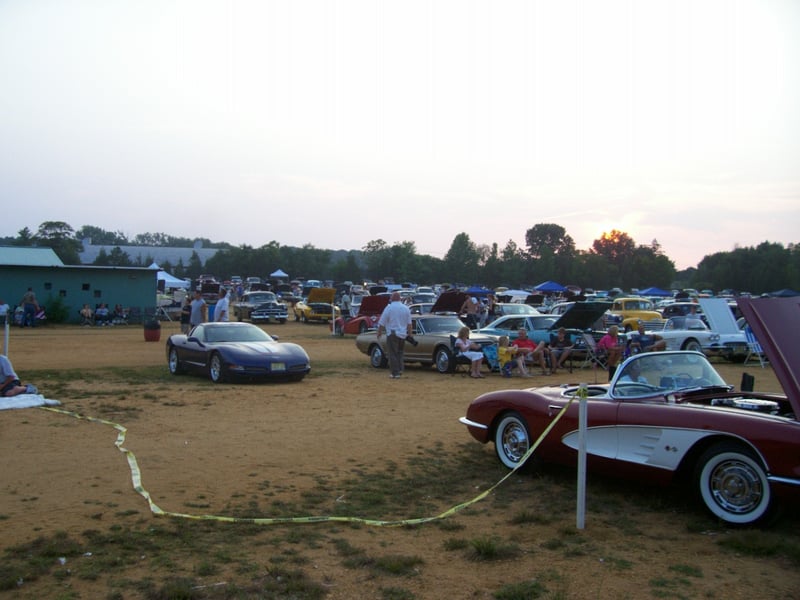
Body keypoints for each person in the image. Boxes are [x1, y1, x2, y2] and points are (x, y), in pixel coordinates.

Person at [376, 291, 412, 379]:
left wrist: (379, 332)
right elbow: (409, 324)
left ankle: (395, 373)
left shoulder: (389, 308)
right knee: (400, 353)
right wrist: (410, 334)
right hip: (403, 334)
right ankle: (400, 369)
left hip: (392, 333)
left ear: (392, 298)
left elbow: (382, 322)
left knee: (392, 353)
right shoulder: (406, 308)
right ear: (400, 298)